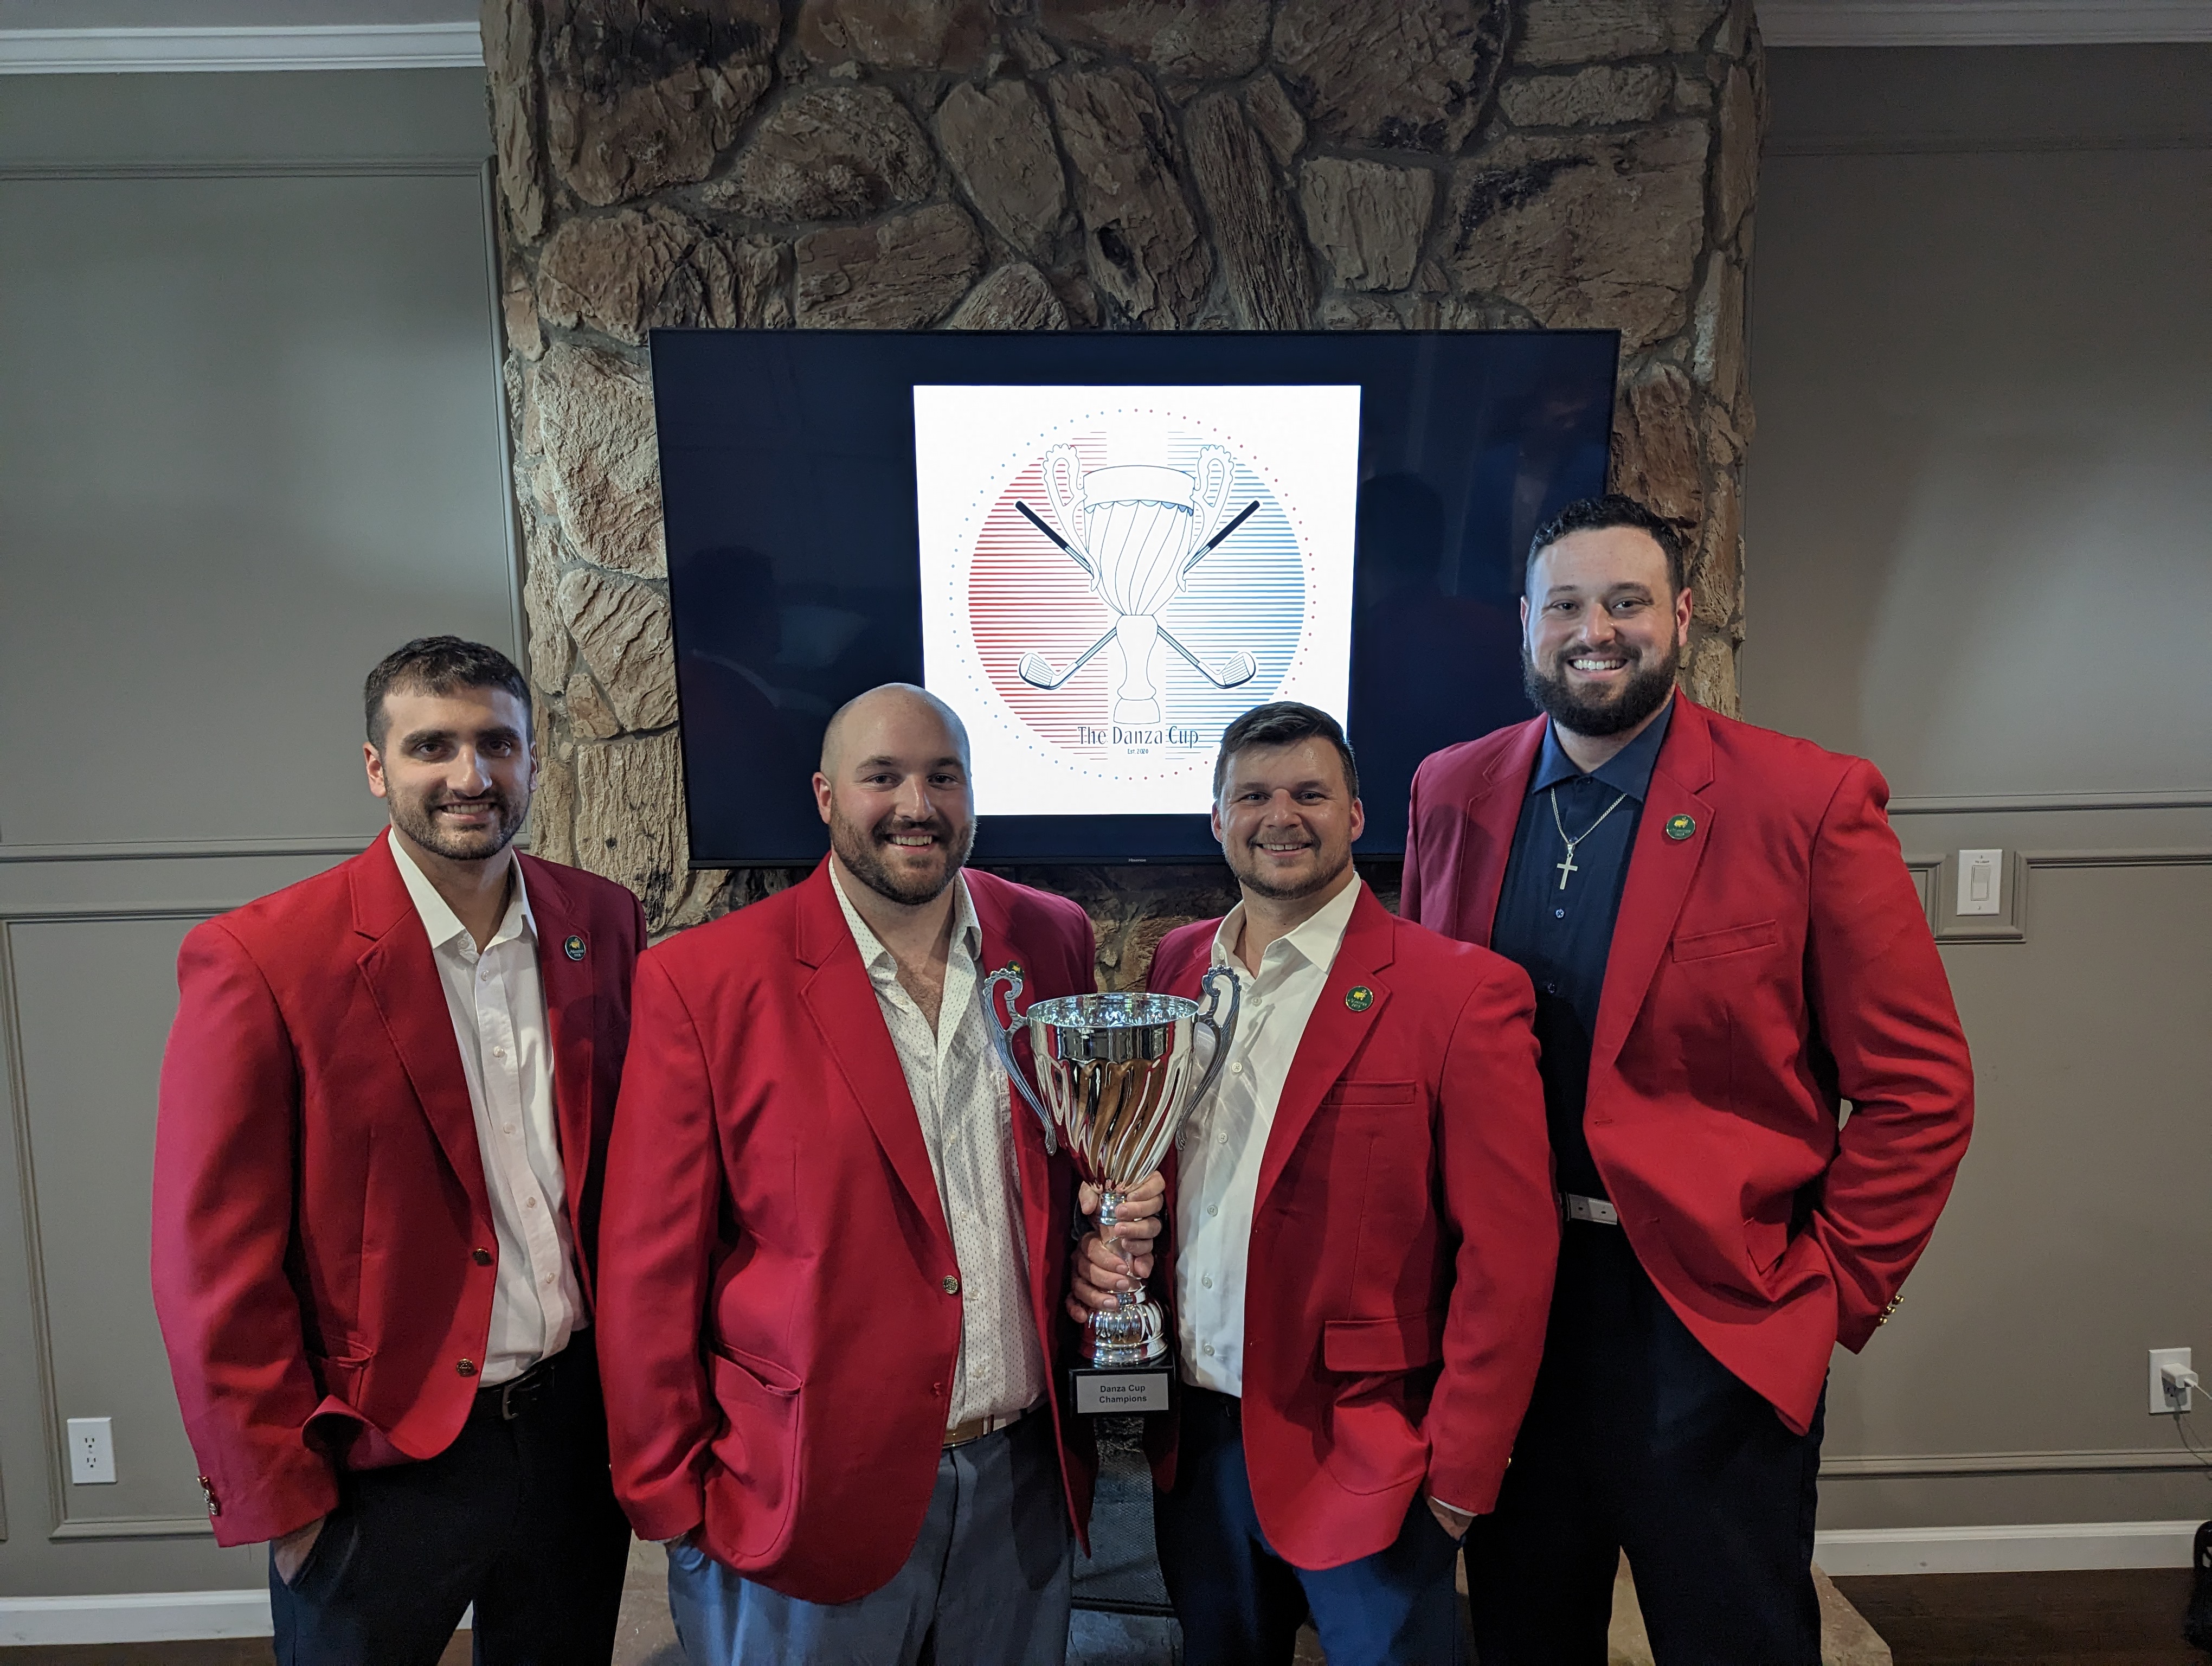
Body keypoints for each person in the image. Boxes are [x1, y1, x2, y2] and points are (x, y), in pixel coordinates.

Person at [1403, 494, 1976, 1664]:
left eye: (1627, 602)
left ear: (1682, 616)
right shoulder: (1449, 791)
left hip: (1712, 1319)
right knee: (1521, 1636)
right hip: (1508, 1315)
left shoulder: (1806, 802)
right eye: (1567, 605)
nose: (1594, 631)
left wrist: (1830, 1292)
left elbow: (1921, 1088)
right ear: (1527, 621)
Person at [596, 683, 1154, 1665]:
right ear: (825, 796)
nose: (916, 805)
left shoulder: (1051, 938)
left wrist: (1101, 1231)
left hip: (1022, 1480)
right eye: (883, 778)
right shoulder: (705, 980)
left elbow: (1067, 1158)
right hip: (806, 1488)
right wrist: (669, 1497)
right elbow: (649, 1265)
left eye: (944, 778)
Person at [151, 637, 644, 1665]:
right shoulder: (263, 957)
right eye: (432, 746)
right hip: (377, 1462)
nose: (471, 776)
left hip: (572, 1434)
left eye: (496, 744)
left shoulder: (601, 920)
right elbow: (212, 1266)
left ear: (533, 758)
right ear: (377, 768)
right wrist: (282, 1496)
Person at [1072, 701, 1559, 1666]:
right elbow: (1147, 1162)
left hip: (1370, 1454)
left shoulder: (1461, 992)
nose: (1281, 816)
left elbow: (1511, 1257)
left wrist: (1461, 1476)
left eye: (1309, 793)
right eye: (1253, 796)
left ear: (1357, 815)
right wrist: (1111, 1238)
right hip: (1197, 1449)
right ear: (1218, 819)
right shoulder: (1178, 966)